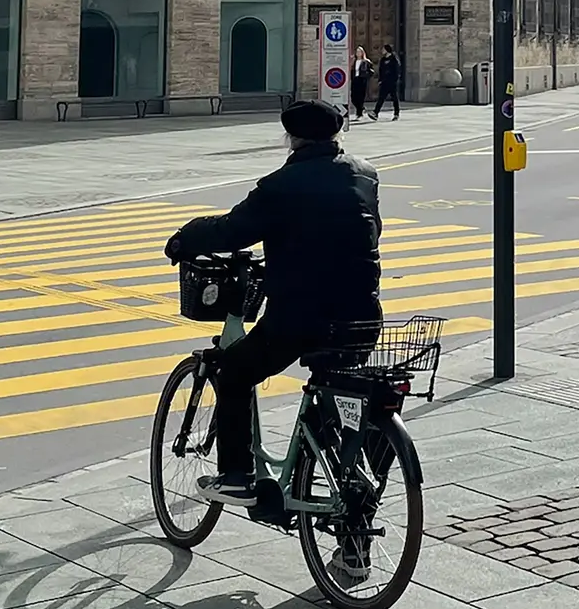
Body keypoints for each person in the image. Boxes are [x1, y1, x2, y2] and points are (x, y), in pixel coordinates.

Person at [162, 99, 382, 503]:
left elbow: (232, 230)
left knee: (233, 372)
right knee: (335, 385)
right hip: (363, 316)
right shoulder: (365, 174)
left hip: (301, 317)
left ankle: (236, 476)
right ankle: (351, 497)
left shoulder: (280, 185)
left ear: (292, 139)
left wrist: (185, 238)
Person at [373, 45, 403, 121]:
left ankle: (396, 114)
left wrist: (395, 80)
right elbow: (381, 70)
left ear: (387, 50)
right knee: (381, 98)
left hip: (392, 82)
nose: (382, 51)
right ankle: (375, 113)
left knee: (395, 98)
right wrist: (380, 80)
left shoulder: (394, 59)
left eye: (383, 49)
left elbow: (397, 70)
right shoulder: (383, 60)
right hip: (384, 82)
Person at [349, 47, 372, 121]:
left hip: (362, 80)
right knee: (353, 97)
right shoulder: (354, 61)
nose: (358, 53)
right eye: (357, 52)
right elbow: (351, 71)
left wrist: (366, 76)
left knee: (360, 97)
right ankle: (361, 108)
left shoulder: (366, 61)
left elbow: (371, 71)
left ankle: (359, 114)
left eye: (359, 52)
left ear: (362, 53)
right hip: (355, 80)